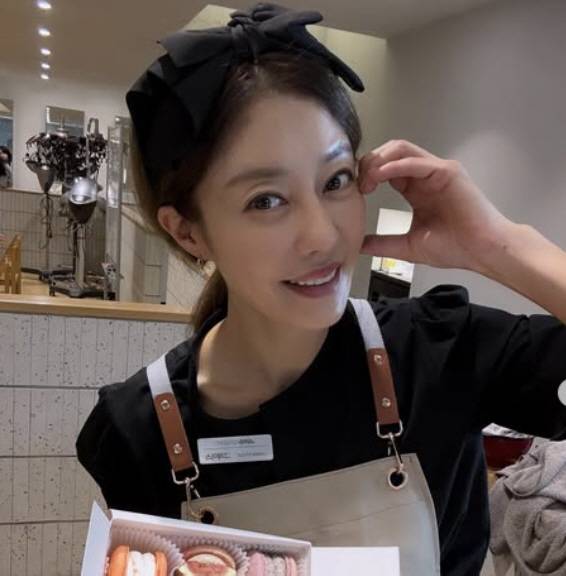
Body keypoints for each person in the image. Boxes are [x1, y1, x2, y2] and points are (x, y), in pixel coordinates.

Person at [76, 3, 566, 575]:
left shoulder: (436, 354)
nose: (323, 235)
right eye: (266, 200)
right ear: (188, 231)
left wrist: (498, 244)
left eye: (336, 181)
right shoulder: (142, 432)